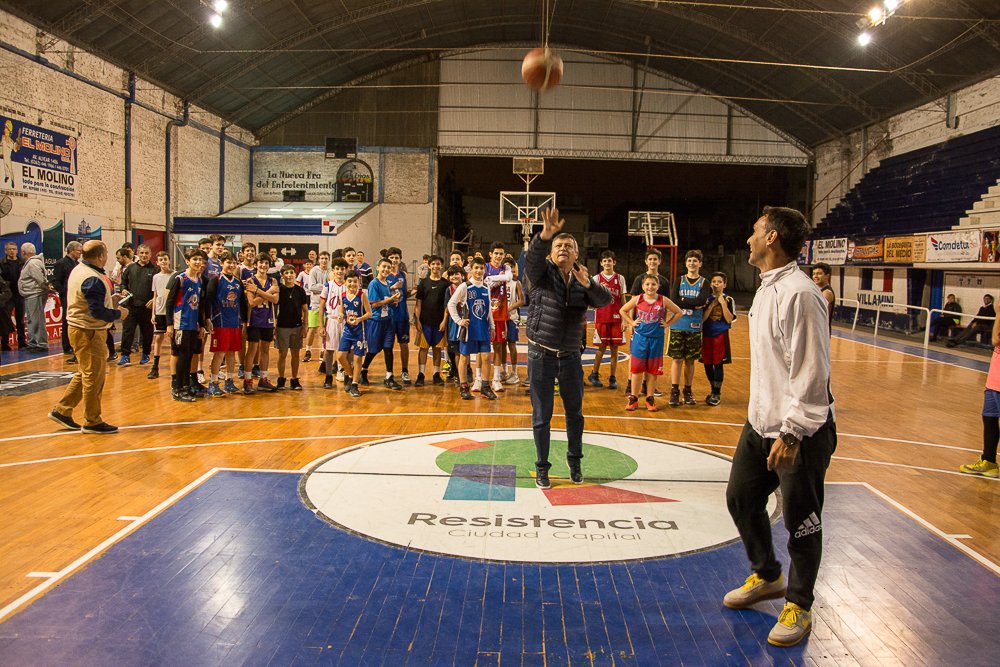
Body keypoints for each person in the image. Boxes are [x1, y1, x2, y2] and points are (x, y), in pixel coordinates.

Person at [723, 206, 836, 648]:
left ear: (771, 238)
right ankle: (768, 575)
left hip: (799, 432)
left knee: (801, 520)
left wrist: (792, 432)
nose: (747, 238)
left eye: (754, 231)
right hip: (760, 424)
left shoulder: (801, 294)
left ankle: (799, 605)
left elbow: (812, 371)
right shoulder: (768, 289)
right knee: (740, 498)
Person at [524, 207, 613, 489]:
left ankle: (575, 462)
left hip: (571, 356)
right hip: (541, 354)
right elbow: (533, 259)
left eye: (568, 246)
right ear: (552, 252)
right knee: (542, 416)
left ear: (576, 254)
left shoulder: (584, 279)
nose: (563, 248)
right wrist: (544, 236)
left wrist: (589, 284)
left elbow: (605, 300)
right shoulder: (540, 274)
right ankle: (542, 468)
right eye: (558, 245)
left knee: (575, 414)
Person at [49, 240, 128, 434]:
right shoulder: (91, 277)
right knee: (94, 376)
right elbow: (97, 312)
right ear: (100, 256)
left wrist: (111, 301)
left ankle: (63, 410)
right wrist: (118, 314)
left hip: (80, 328)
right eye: (107, 253)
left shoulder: (80, 269)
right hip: (88, 331)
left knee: (86, 372)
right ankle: (92, 420)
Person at [621, 274, 682, 412]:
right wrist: (631, 322)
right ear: (643, 286)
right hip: (640, 338)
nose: (650, 287)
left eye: (653, 284)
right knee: (636, 370)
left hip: (656, 339)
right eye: (647, 284)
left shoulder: (663, 300)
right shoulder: (637, 299)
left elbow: (678, 312)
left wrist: (667, 324)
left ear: (658, 286)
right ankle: (633, 398)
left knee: (652, 371)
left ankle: (650, 398)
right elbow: (622, 310)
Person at [959, 297, 1000, 478]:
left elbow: (995, 339)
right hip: (994, 378)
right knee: (989, 419)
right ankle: (989, 462)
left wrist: (999, 313)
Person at [447, 256, 498, 401]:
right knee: (464, 358)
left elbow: (488, 310)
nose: (479, 270)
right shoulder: (465, 286)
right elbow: (451, 304)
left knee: (486, 357)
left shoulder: (486, 288)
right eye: (476, 268)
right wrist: (459, 321)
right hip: (469, 329)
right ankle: (464, 387)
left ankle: (485, 387)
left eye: (481, 268)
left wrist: (492, 326)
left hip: (483, 328)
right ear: (470, 269)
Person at [165, 249, 207, 402]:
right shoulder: (180, 279)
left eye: (200, 260)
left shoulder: (200, 280)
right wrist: (169, 324)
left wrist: (201, 325)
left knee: (189, 355)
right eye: (194, 259)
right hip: (180, 324)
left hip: (193, 324)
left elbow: (200, 304)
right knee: (182, 356)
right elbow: (169, 303)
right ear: (187, 261)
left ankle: (187, 386)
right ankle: (178, 388)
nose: (198, 262)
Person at [206, 251, 245, 396]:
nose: (231, 265)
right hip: (220, 322)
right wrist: (207, 318)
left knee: (231, 352)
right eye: (228, 262)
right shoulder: (215, 280)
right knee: (219, 352)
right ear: (221, 263)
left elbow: (242, 303)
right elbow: (208, 300)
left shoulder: (237, 282)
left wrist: (244, 321)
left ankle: (229, 380)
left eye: (234, 263)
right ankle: (213, 382)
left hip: (234, 321)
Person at [360, 258, 403, 390]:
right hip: (376, 321)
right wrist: (391, 299)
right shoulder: (374, 284)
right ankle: (363, 370)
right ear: (377, 267)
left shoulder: (387, 283)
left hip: (388, 321)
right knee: (374, 349)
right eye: (383, 266)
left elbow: (386, 299)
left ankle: (389, 376)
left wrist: (394, 301)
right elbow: (374, 304)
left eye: (388, 267)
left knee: (388, 348)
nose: (386, 269)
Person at [589, 250, 627, 390]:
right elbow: (591, 297)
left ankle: (612, 377)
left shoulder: (620, 278)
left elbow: (623, 299)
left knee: (614, 349)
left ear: (614, 262)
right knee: (601, 348)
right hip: (602, 317)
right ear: (601, 263)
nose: (607, 263)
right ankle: (595, 373)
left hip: (616, 317)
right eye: (604, 261)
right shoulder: (596, 279)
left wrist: (625, 318)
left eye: (609, 260)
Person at [244, 254, 280, 393]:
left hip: (268, 319)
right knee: (252, 349)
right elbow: (252, 303)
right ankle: (247, 380)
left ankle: (263, 379)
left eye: (266, 263)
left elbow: (275, 300)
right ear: (255, 265)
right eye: (261, 263)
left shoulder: (273, 281)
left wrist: (259, 291)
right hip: (254, 319)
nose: (263, 265)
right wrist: (268, 294)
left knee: (265, 350)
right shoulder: (250, 280)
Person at [118, 244, 158, 366]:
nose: (144, 255)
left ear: (150, 255)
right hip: (131, 306)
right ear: (137, 253)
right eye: (142, 253)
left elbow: (158, 288)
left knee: (147, 332)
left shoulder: (155, 270)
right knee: (127, 331)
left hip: (147, 307)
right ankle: (125, 355)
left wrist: (153, 299)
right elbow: (123, 283)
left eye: (146, 253)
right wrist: (123, 289)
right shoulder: (130, 268)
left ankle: (145, 354)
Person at [702, 271, 737, 406]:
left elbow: (729, 319)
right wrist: (711, 306)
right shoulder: (706, 299)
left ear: (724, 284)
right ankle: (713, 390)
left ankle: (717, 393)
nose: (716, 284)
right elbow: (703, 319)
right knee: (707, 363)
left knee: (718, 364)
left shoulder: (729, 300)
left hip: (720, 336)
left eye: (719, 282)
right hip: (706, 335)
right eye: (714, 282)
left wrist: (722, 303)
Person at [414, 255, 449, 387]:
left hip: (439, 322)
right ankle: (421, 374)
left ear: (441, 265)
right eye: (433, 264)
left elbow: (447, 305)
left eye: (438, 264)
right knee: (423, 348)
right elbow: (418, 303)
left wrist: (444, 321)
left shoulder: (445, 284)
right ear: (429, 265)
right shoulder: (423, 283)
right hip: (425, 322)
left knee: (437, 349)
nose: (435, 266)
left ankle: (436, 374)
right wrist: (417, 320)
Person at [337, 270, 371, 397]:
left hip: (359, 331)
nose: (352, 283)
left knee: (357, 358)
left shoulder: (362, 295)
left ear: (359, 282)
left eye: (355, 281)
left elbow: (369, 313)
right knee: (340, 356)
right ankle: (351, 376)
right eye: (349, 281)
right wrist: (340, 316)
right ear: (345, 282)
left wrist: (358, 319)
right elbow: (342, 312)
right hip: (347, 330)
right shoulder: (343, 295)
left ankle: (355, 384)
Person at [275, 264, 309, 390]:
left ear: (295, 274)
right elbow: (274, 308)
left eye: (291, 273)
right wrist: (274, 325)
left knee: (295, 354)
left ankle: (294, 379)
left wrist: (305, 326)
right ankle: (281, 378)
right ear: (282, 275)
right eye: (286, 273)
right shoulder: (279, 289)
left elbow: (305, 310)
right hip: (282, 326)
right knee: (282, 353)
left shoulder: (300, 291)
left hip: (296, 326)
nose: (289, 275)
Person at [52, 241, 83, 361]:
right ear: (71, 250)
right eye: (78, 251)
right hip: (66, 297)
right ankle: (67, 346)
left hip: (76, 296)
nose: (80, 253)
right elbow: (55, 281)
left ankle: (75, 344)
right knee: (67, 321)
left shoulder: (77, 264)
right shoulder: (61, 263)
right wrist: (64, 292)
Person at [385, 247, 413, 384]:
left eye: (396, 258)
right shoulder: (384, 276)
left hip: (402, 316)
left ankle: (405, 371)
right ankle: (389, 373)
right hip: (389, 317)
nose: (394, 260)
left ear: (400, 260)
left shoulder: (403, 275)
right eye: (391, 258)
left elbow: (404, 294)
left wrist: (413, 292)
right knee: (388, 346)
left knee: (404, 344)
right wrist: (392, 287)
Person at [320, 257, 348, 386]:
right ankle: (328, 377)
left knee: (346, 349)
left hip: (346, 321)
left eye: (342, 269)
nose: (340, 271)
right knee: (330, 350)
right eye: (337, 269)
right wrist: (321, 325)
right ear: (333, 270)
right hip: (331, 320)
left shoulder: (349, 285)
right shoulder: (328, 285)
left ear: (346, 270)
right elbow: (321, 307)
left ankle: (346, 373)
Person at [17, 242, 50, 352]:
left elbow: (40, 279)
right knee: (32, 320)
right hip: (32, 294)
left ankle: (40, 344)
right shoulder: (32, 262)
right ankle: (34, 342)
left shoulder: (32, 263)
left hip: (35, 294)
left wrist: (44, 289)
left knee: (37, 320)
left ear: (23, 252)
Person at [148, 251, 173, 380]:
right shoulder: (156, 277)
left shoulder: (174, 275)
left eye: (165, 259)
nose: (163, 261)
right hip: (159, 311)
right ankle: (155, 367)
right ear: (157, 263)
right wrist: (153, 313)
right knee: (158, 338)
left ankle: (175, 367)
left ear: (169, 260)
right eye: (161, 260)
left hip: (171, 313)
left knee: (173, 339)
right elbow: (155, 295)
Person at [502, 257, 525, 385]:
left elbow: (522, 301)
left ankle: (514, 372)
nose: (506, 269)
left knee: (512, 344)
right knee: (501, 345)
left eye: (509, 267)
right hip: (501, 318)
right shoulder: (499, 282)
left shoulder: (517, 283)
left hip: (512, 318)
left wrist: (509, 308)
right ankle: (504, 371)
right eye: (504, 267)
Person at [0, 241, 26, 350]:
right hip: (7, 296)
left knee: (20, 320)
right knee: (5, 320)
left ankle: (22, 342)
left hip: (20, 295)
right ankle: (5, 343)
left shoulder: (22, 262)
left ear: (17, 250)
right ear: (6, 251)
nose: (12, 251)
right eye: (9, 249)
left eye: (14, 249)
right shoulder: (1, 263)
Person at [444, 265, 466, 383]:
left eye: (457, 274)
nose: (454, 276)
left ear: (462, 275)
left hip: (466, 320)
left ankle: (465, 372)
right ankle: (458, 372)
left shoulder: (467, 286)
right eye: (452, 274)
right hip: (454, 321)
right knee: (455, 348)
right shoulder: (449, 289)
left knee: (464, 348)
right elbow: (447, 307)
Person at [811, 263, 836, 334]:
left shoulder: (827, 292)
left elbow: (818, 313)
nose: (815, 276)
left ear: (827, 276)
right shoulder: (817, 290)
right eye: (814, 273)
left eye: (819, 273)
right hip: (816, 330)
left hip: (822, 332)